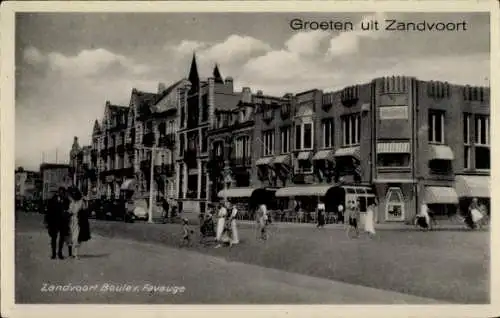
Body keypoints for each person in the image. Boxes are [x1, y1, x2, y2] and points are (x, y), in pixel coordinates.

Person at [44, 187, 70, 259]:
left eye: (63, 192)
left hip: (62, 222)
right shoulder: (52, 200)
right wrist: (47, 221)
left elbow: (68, 210)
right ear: (58, 192)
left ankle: (60, 253)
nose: (61, 194)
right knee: (53, 238)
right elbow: (48, 211)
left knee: (62, 238)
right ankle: (53, 253)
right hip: (54, 221)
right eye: (60, 192)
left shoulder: (66, 200)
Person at [66, 187, 88, 258]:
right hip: (70, 220)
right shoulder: (71, 202)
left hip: (78, 220)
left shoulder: (81, 202)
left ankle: (75, 254)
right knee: (70, 236)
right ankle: (70, 253)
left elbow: (85, 211)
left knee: (76, 237)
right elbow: (69, 211)